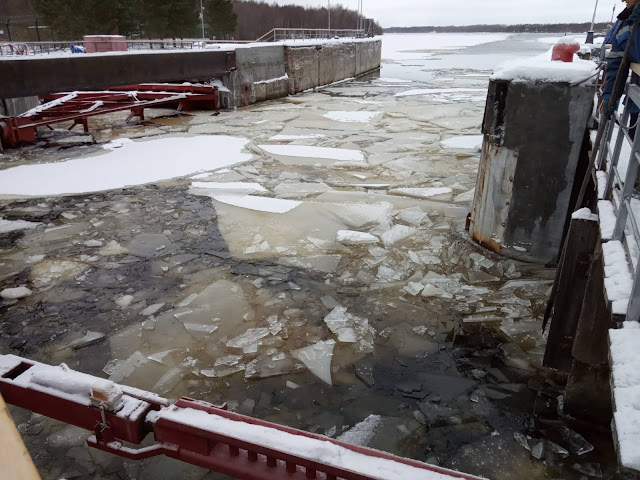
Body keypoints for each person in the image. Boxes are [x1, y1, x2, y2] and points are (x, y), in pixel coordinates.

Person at [603, 0, 640, 137]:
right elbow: (615, 61)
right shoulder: (625, 21)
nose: (622, 0)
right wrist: (610, 95)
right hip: (637, 103)